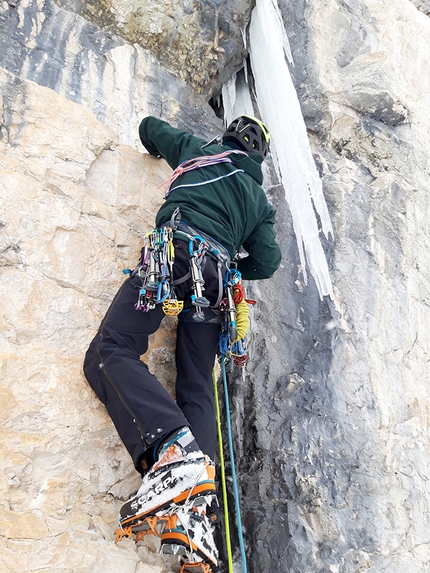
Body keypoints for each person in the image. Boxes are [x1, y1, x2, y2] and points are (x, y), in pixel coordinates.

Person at [83, 115, 281, 566]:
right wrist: (233, 266)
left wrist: (157, 150)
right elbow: (269, 260)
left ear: (228, 136)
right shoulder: (257, 200)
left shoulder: (198, 150)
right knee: (197, 386)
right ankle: (198, 516)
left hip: (173, 258)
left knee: (109, 350)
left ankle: (173, 450)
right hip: (215, 288)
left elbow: (150, 127)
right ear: (259, 157)